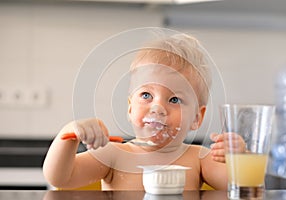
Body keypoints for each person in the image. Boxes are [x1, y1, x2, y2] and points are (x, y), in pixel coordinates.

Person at [43, 33, 229, 191]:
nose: (157, 108)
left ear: (197, 118)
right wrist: (70, 133)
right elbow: (60, 178)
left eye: (174, 100)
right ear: (131, 108)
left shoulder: (199, 159)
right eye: (146, 95)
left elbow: (237, 185)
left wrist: (237, 157)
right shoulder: (113, 155)